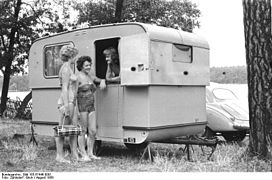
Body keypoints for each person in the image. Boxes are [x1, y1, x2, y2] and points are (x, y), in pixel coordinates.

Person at [76, 56, 106, 160]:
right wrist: (76, 111)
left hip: (91, 106)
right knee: (83, 131)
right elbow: (73, 94)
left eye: (89, 65)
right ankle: (83, 153)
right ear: (81, 66)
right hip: (82, 107)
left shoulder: (90, 77)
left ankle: (90, 153)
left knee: (93, 131)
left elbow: (100, 79)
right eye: (86, 65)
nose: (89, 67)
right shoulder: (77, 78)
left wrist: (103, 81)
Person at [55, 44, 79, 163]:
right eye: (75, 56)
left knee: (72, 129)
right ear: (71, 56)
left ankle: (74, 153)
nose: (76, 59)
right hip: (66, 101)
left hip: (72, 101)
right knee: (62, 129)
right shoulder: (65, 68)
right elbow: (64, 88)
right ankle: (59, 156)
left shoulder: (69, 68)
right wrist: (66, 106)